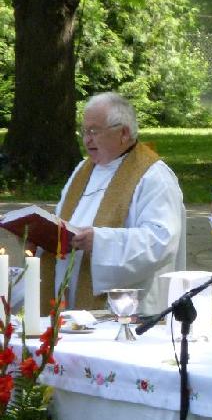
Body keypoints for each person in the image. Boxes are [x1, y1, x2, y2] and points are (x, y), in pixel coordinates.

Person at [40, 92, 185, 316]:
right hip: (72, 305)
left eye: (94, 131)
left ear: (124, 133)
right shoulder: (83, 170)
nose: (87, 139)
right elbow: (63, 219)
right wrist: (40, 236)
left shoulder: (154, 176)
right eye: (84, 131)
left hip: (128, 308)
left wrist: (99, 241)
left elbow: (162, 241)